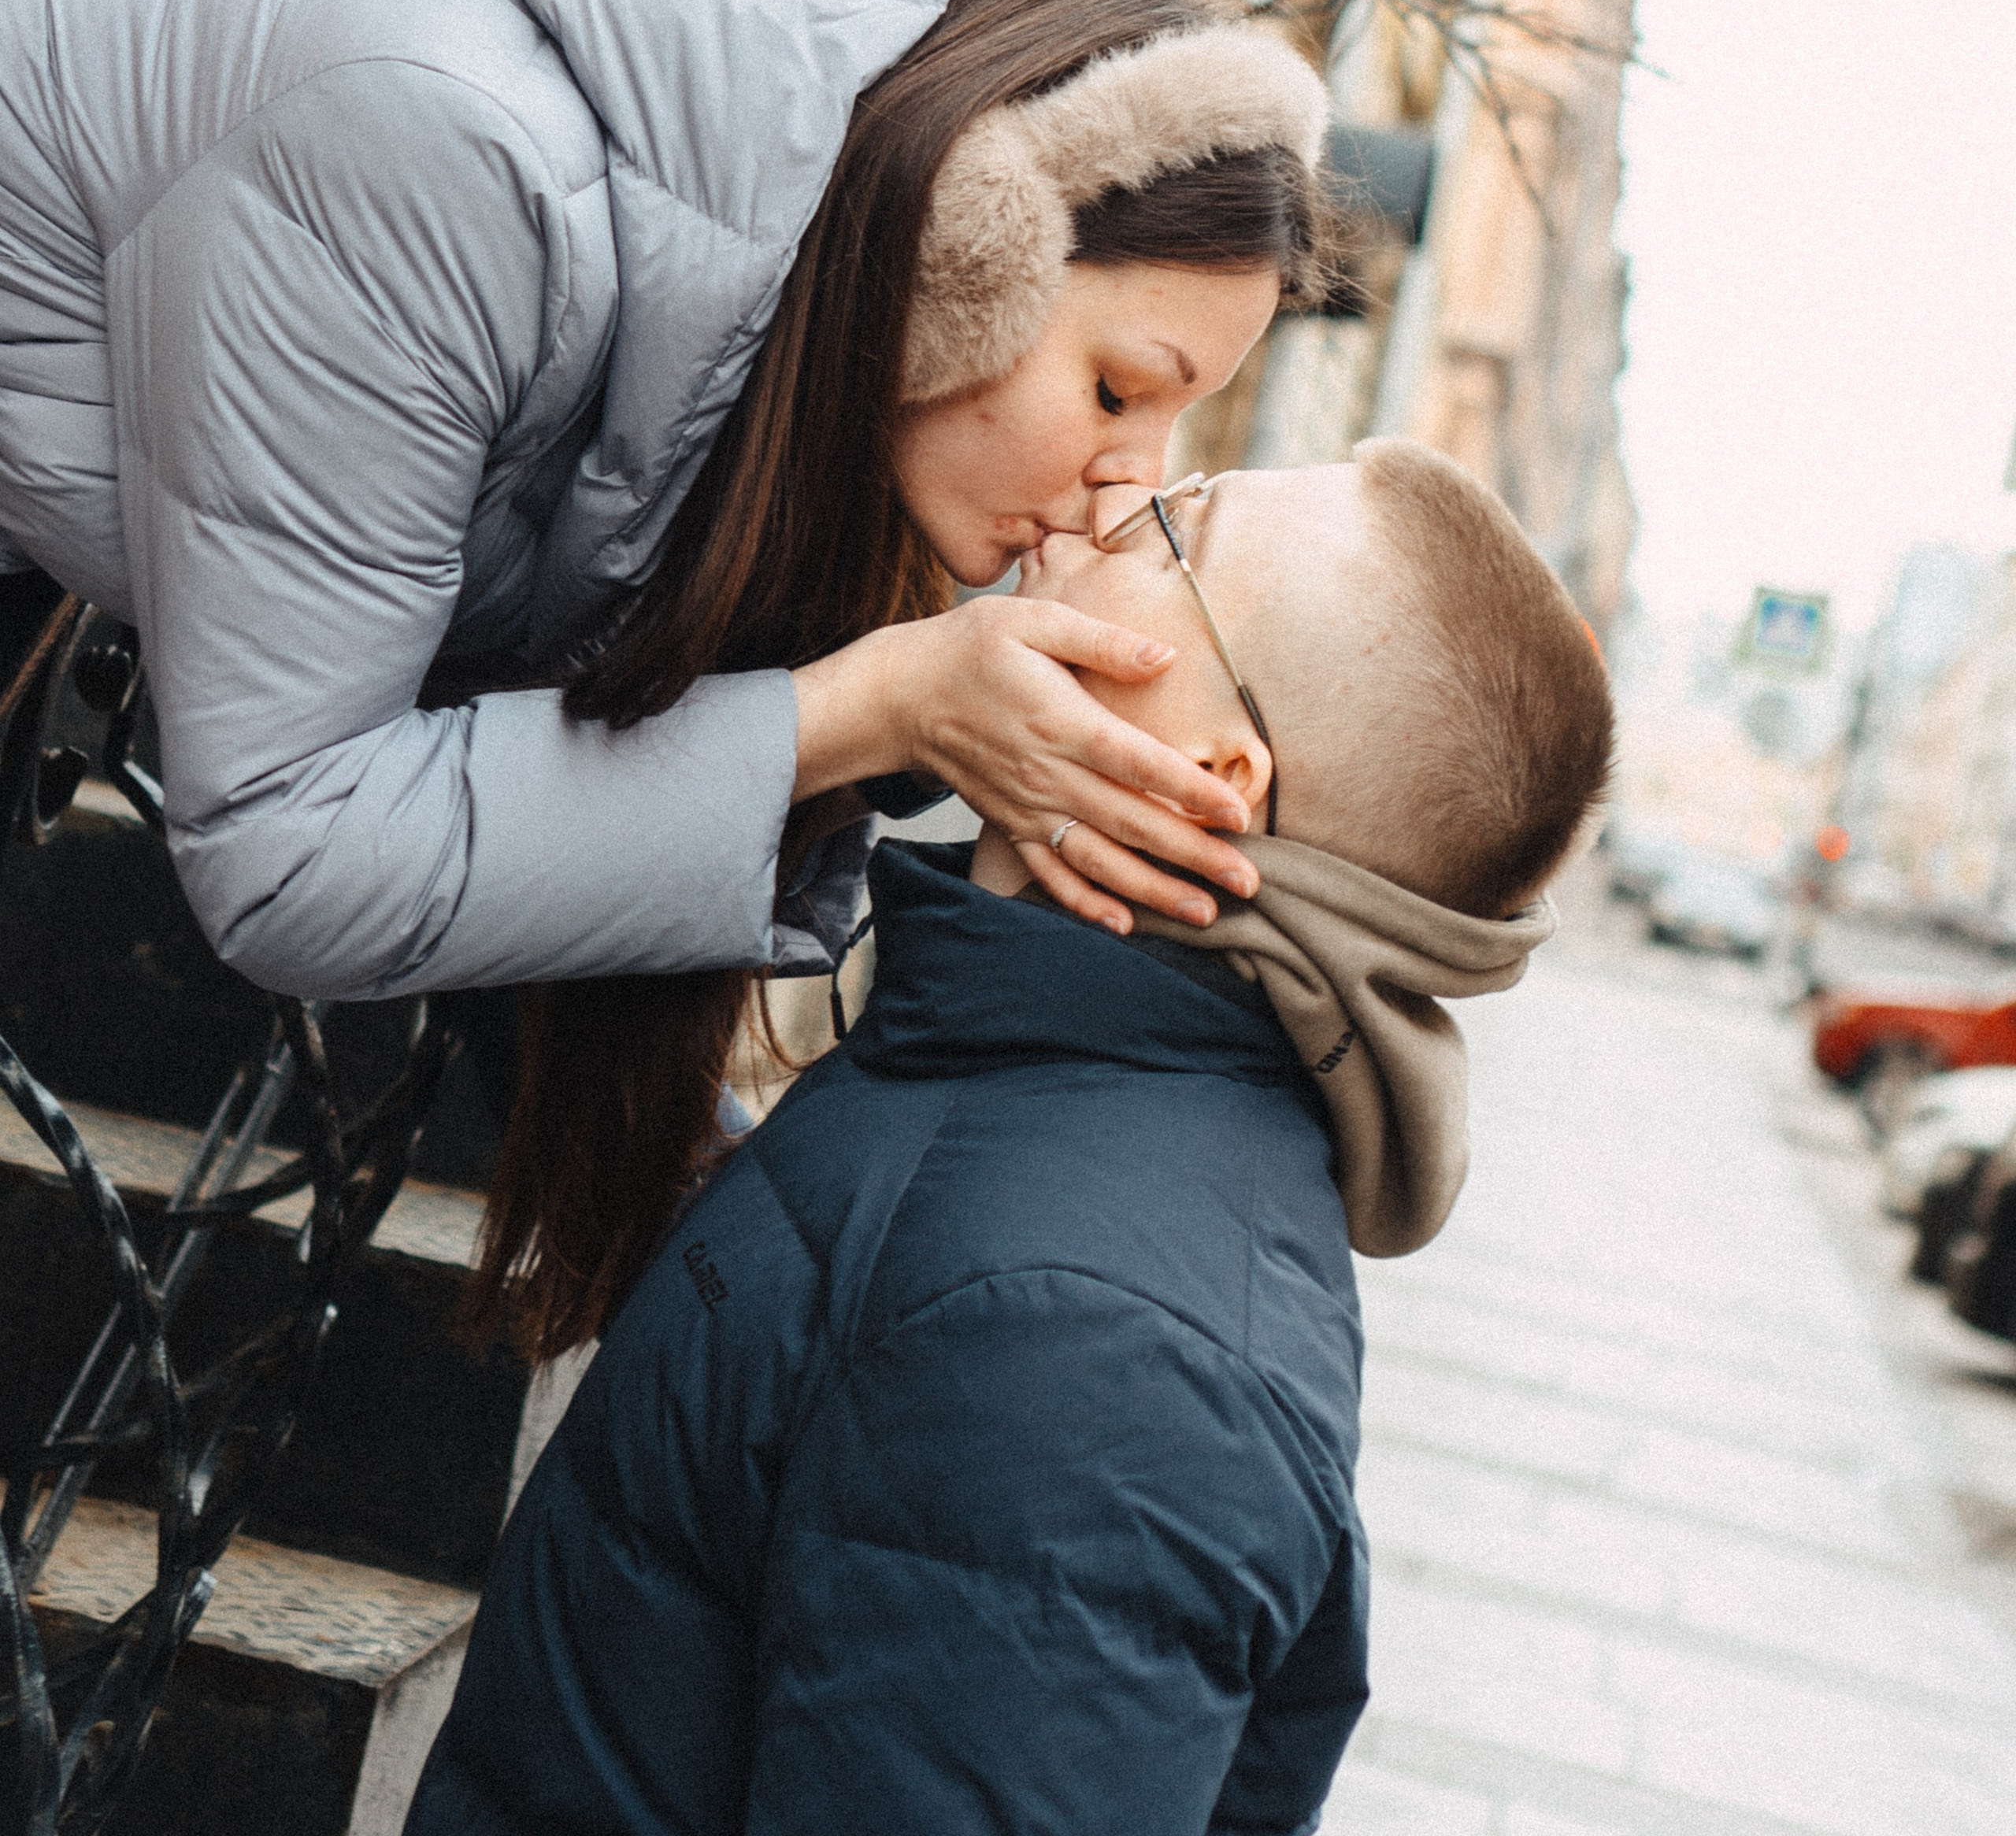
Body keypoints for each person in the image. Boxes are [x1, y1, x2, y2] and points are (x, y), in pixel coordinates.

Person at [0, 0, 1338, 1334]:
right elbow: (292, 851)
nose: (1129, 488)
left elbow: (531, 758)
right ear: (965, 252)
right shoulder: (446, 160)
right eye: (1117, 393)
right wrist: (871, 707)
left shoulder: (737, 331)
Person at [406, 445, 1613, 1836]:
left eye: (1178, 525)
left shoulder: (1095, 1350)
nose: (1111, 499)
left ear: (1206, 777)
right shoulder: (1020, 1099)